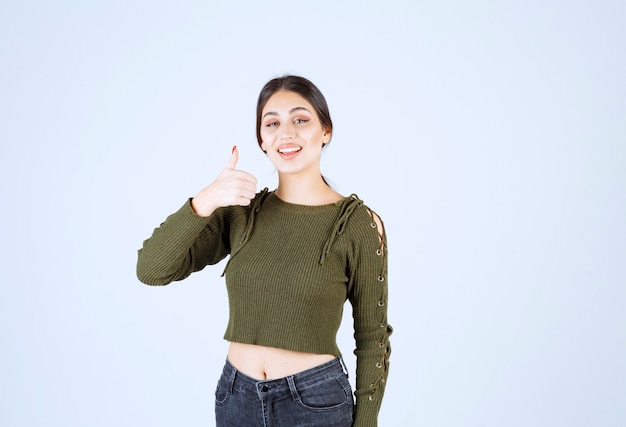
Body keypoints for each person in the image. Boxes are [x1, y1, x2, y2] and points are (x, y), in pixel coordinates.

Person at [136, 75, 391, 427]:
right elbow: (151, 270)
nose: (286, 133)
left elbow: (373, 338)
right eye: (272, 123)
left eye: (300, 120)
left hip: (315, 401)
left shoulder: (358, 224)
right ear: (262, 140)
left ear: (326, 131)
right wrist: (205, 199)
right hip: (236, 397)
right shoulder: (241, 212)